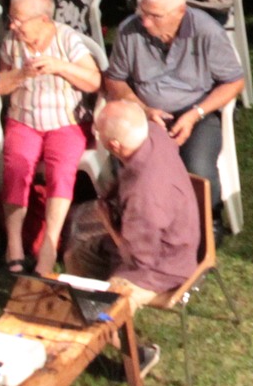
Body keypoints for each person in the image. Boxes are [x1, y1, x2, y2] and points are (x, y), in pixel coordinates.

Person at [102, 0, 247, 204]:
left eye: (155, 16)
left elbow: (234, 82)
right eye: (143, 12)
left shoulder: (207, 32)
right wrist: (144, 109)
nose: (145, 22)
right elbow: (114, 80)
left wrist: (195, 114)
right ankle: (145, 217)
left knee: (198, 167)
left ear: (180, 11)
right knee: (137, 163)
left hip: (196, 112)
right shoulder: (129, 31)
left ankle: (209, 215)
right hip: (147, 115)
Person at [0, 0, 101, 276]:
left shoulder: (66, 39)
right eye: (11, 19)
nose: (13, 26)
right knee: (17, 166)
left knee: (61, 171)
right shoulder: (12, 42)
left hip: (65, 122)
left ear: (43, 19)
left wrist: (60, 66)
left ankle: (49, 247)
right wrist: (21, 74)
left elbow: (94, 81)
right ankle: (14, 244)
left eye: (19, 20)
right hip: (24, 119)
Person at [63, 99, 202, 311]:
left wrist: (108, 222)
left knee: (112, 304)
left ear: (114, 145)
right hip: (165, 235)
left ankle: (105, 323)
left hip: (162, 268)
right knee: (77, 257)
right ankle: (87, 312)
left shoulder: (143, 195)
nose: (95, 133)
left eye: (97, 132)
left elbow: (139, 259)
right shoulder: (154, 132)